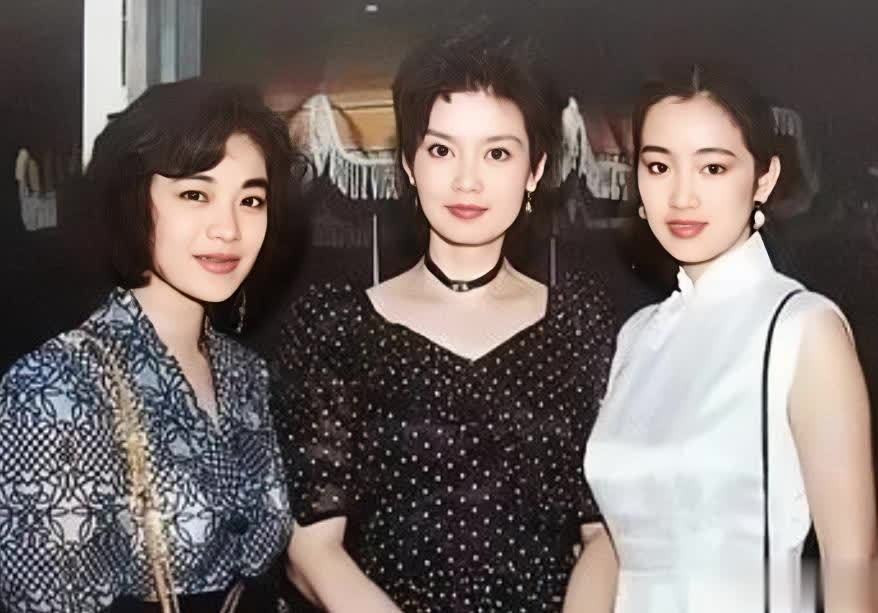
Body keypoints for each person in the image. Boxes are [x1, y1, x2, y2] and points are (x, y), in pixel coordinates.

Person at [270, 26, 618, 613]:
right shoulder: (338, 327)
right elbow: (312, 550)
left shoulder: (580, 325)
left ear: (534, 170)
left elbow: (604, 534)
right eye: (441, 150)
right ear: (409, 163)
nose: (467, 180)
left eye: (497, 153)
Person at [584, 65, 877, 613]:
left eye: (713, 167)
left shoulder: (802, 328)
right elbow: (612, 543)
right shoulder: (638, 336)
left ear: (763, 179)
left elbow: (851, 562)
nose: (682, 196)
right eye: (658, 166)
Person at [0, 79, 297, 613]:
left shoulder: (247, 374)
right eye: (195, 195)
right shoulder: (55, 388)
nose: (228, 228)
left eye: (251, 200)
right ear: (134, 200)